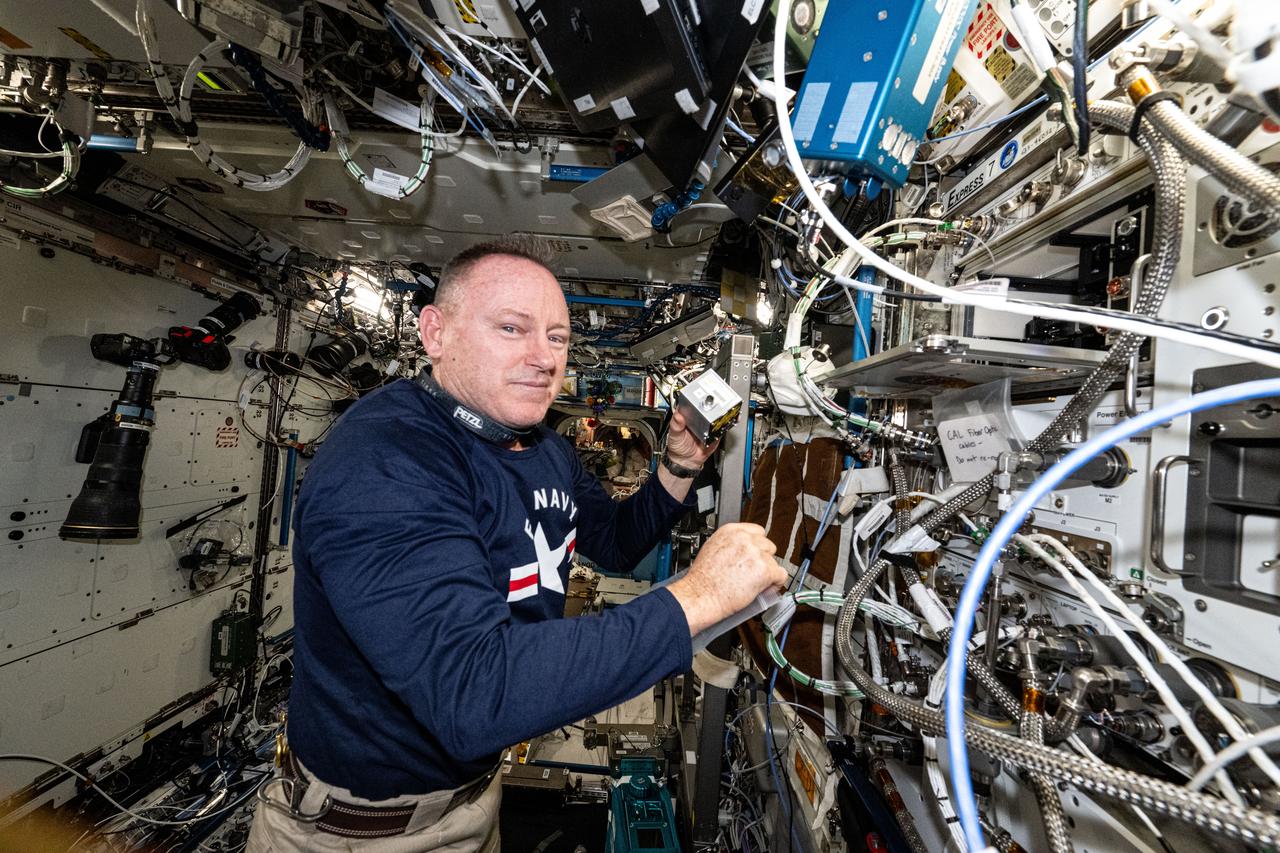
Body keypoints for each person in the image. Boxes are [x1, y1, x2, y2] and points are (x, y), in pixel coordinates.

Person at [246, 236, 784, 852]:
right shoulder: (386, 462)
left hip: (473, 798)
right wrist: (699, 597)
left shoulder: (545, 448)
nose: (542, 357)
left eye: (556, 338)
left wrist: (679, 469)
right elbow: (475, 690)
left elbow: (611, 541)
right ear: (434, 333)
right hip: (358, 832)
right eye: (511, 328)